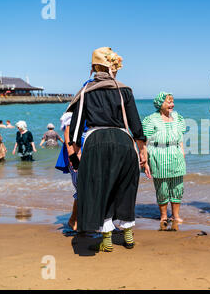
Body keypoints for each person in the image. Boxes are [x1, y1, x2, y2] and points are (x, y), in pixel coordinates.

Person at [68, 47, 148, 252]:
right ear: (113, 67)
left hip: (96, 143)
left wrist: (75, 152)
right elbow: (135, 124)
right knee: (125, 188)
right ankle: (128, 233)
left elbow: (76, 127)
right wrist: (142, 149)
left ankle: (107, 238)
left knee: (100, 190)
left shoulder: (86, 91)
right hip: (123, 141)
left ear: (95, 67)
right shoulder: (125, 90)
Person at [142, 92, 186, 229]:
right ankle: (163, 216)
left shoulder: (177, 118)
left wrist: (182, 153)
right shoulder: (151, 120)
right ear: (160, 104)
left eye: (172, 102)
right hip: (158, 155)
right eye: (168, 102)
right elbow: (144, 142)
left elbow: (180, 139)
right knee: (162, 188)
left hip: (175, 154)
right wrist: (145, 162)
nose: (172, 104)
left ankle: (176, 216)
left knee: (177, 187)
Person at [55, 112, 86, 231]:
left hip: (85, 148)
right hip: (76, 149)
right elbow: (67, 131)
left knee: (84, 186)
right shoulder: (74, 112)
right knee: (81, 186)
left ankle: (77, 219)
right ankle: (74, 219)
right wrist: (71, 153)